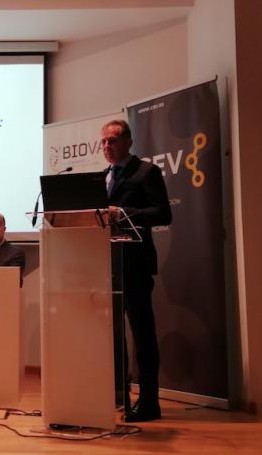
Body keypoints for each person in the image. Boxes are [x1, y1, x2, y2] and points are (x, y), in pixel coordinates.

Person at [101, 119, 172, 423]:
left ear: (129, 141)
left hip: (135, 265)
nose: (107, 145)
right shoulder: (102, 177)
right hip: (105, 266)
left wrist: (124, 212)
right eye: (104, 141)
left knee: (142, 333)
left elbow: (163, 213)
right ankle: (119, 396)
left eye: (113, 140)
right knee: (112, 335)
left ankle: (149, 402)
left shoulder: (146, 171)